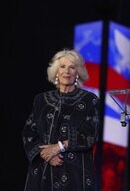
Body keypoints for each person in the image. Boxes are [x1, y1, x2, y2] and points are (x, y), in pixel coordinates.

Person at [22, 49, 100, 191]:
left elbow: (90, 135)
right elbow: (29, 133)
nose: (67, 71)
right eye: (62, 66)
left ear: (78, 72)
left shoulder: (90, 100)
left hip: (74, 172)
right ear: (56, 71)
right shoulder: (41, 100)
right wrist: (46, 155)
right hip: (42, 171)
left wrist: (59, 147)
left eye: (72, 67)